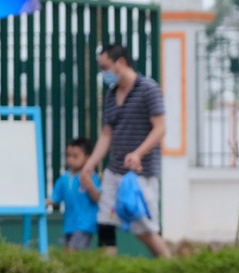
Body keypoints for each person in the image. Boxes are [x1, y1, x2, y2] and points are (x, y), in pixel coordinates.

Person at [81, 43, 171, 258]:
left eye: (105, 67)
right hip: (114, 170)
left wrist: (138, 153)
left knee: (145, 229)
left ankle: (169, 266)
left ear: (120, 62)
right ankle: (109, 270)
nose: (104, 73)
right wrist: (90, 164)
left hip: (141, 173)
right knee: (105, 222)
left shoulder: (148, 89)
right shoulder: (111, 95)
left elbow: (160, 128)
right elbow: (107, 134)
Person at [47, 137, 100, 251]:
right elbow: (54, 198)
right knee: (67, 253)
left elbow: (97, 197)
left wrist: (90, 185)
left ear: (87, 158)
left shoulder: (91, 176)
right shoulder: (64, 178)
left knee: (74, 252)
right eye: (68, 156)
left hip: (84, 225)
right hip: (69, 225)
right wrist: (43, 203)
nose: (71, 159)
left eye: (75, 156)